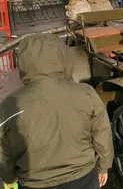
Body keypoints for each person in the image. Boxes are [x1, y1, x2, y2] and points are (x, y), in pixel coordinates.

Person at [0, 34, 113, 189]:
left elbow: (3, 151)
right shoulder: (86, 93)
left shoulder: (9, 105)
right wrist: (104, 166)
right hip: (83, 177)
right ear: (63, 58)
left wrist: (9, 177)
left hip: (34, 182)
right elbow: (102, 132)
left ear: (25, 62)